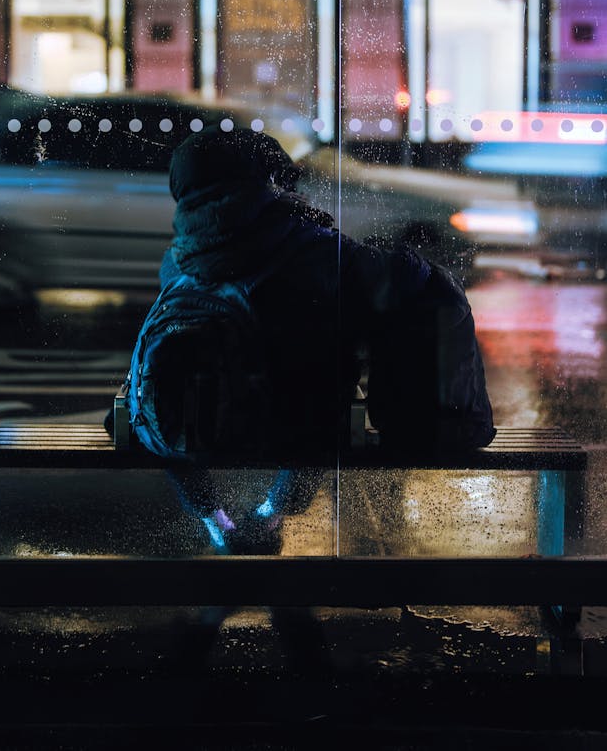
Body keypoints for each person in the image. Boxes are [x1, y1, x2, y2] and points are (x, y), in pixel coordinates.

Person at [155, 122, 495, 555]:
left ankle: (216, 521)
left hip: (192, 432)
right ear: (266, 182)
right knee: (326, 380)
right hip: (290, 432)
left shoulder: (177, 264)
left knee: (177, 378)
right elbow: (413, 285)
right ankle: (268, 516)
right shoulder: (313, 250)